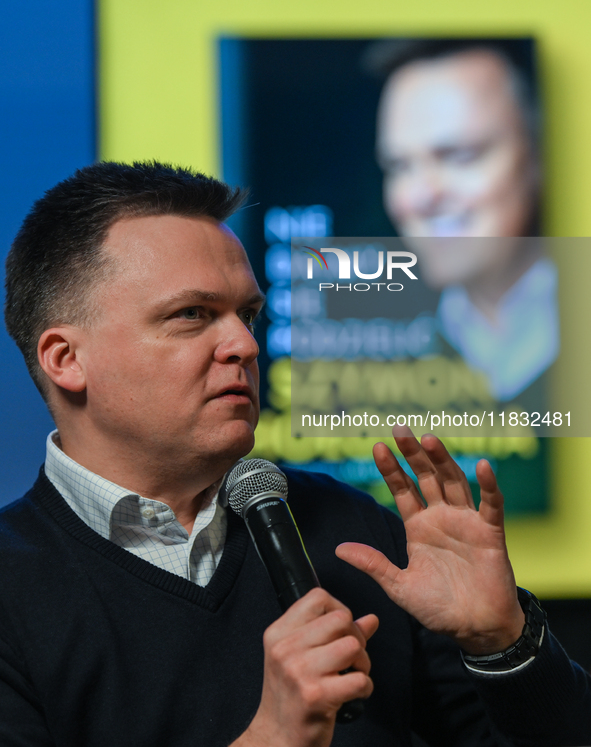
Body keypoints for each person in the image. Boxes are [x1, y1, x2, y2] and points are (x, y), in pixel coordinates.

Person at [0, 160, 588, 746]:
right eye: (192, 315)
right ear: (65, 359)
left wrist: (505, 644)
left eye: (248, 315)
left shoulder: (354, 531)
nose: (243, 345)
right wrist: (273, 737)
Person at [372, 39, 557, 402]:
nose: (421, 196)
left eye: (461, 157)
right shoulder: (368, 360)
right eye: (400, 167)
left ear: (538, 157)